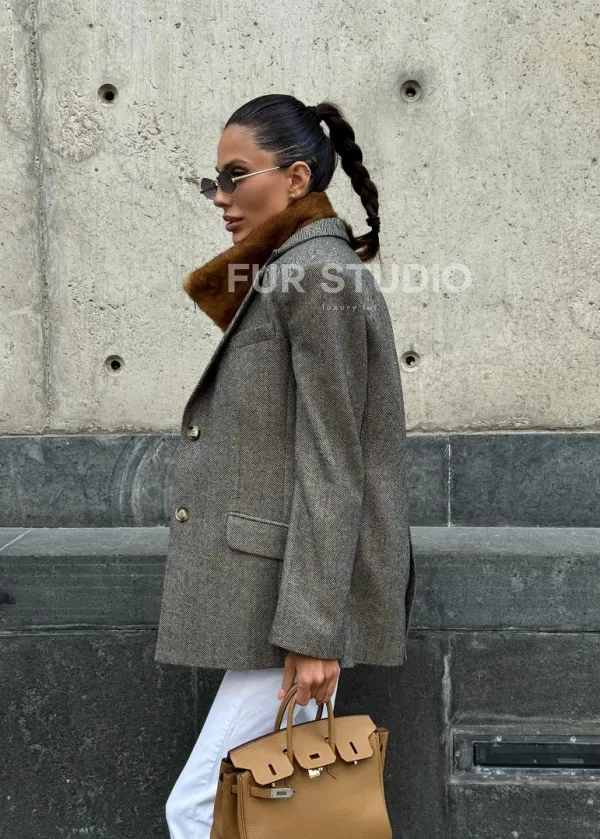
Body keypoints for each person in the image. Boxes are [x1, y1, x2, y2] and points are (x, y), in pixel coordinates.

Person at [155, 93, 415, 839]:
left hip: (292, 605)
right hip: (285, 597)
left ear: (297, 178)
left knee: (201, 809)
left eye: (235, 176)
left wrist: (314, 632)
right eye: (215, 180)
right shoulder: (290, 271)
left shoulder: (315, 278)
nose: (221, 197)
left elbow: (335, 461)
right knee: (269, 812)